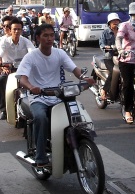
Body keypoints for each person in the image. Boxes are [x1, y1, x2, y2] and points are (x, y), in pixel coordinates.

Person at [16, 24, 94, 167]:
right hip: (39, 97)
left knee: (77, 115)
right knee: (40, 117)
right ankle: (40, 157)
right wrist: (32, 87)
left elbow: (75, 70)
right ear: (38, 38)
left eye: (52, 35)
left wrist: (85, 78)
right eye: (46, 35)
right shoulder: (31, 56)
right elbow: (22, 77)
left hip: (60, 95)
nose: (50, 38)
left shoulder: (60, 53)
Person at [0, 17, 35, 120]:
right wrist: (0, 62)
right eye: (14, 29)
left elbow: (32, 52)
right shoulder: (3, 41)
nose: (16, 31)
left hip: (23, 69)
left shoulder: (26, 41)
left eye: (19, 29)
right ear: (10, 30)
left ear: (22, 30)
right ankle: (3, 110)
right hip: (7, 69)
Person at [98, 12, 121, 101]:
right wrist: (106, 47)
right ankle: (104, 90)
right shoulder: (105, 32)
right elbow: (101, 44)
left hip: (121, 56)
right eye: (113, 21)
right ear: (109, 23)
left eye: (117, 20)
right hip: (109, 57)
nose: (115, 22)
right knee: (114, 72)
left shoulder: (121, 31)